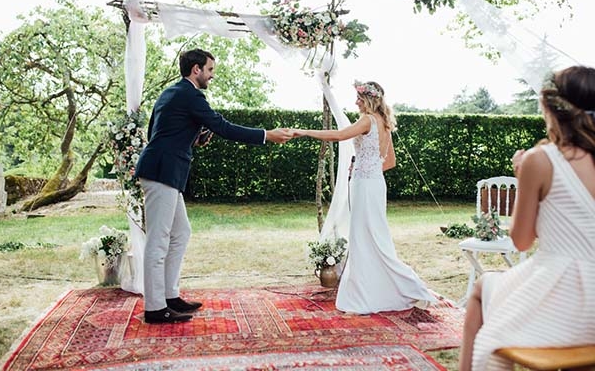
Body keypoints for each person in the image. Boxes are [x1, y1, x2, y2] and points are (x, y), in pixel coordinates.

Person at [134, 48, 292, 324]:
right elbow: (223, 126)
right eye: (209, 70)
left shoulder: (171, 93)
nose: (211, 76)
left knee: (181, 233)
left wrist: (193, 138)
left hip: (163, 169)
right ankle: (155, 308)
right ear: (196, 69)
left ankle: (170, 296)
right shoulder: (191, 94)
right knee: (158, 240)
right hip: (162, 172)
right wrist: (267, 135)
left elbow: (159, 131)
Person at [459, 65, 595, 370]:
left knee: (482, 291)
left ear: (551, 108)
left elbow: (521, 241)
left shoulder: (541, 159)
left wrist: (524, 176)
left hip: (565, 305)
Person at [292, 81, 436, 314]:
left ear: (369, 99)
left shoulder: (367, 120)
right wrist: (366, 167)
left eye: (358, 98)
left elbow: (339, 135)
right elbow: (390, 163)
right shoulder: (385, 123)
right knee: (375, 237)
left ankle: (376, 292)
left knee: (363, 237)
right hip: (376, 184)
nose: (355, 102)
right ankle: (389, 288)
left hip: (364, 186)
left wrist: (305, 132)